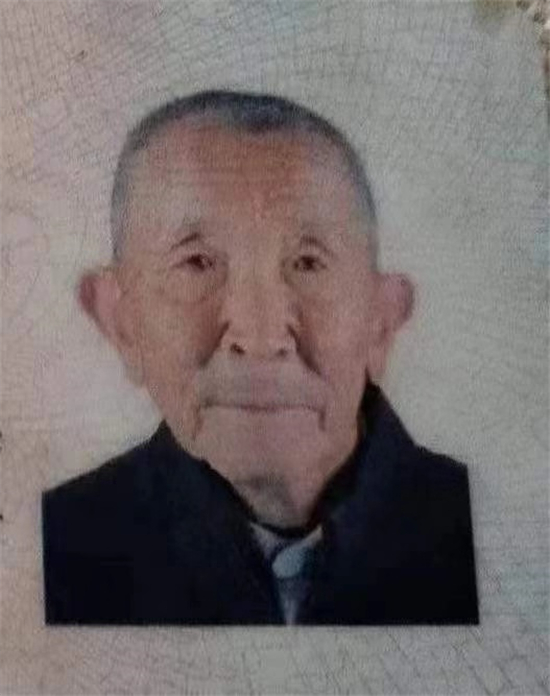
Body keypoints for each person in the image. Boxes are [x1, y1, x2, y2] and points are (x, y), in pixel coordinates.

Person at [41, 90, 479, 625]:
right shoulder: (60, 549)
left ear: (381, 321)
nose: (260, 335)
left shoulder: (479, 531)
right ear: (119, 322)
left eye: (308, 263)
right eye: (197, 262)